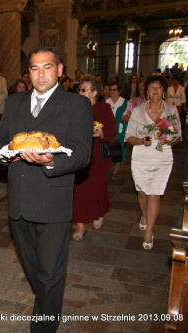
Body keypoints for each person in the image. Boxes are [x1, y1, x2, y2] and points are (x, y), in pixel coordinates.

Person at [0, 45, 92, 333]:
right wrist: (5, 154)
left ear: (60, 70)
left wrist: (51, 161)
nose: (41, 74)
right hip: (19, 204)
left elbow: (83, 153)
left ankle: (43, 326)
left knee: (49, 273)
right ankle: (49, 302)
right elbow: (1, 141)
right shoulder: (14, 102)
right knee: (35, 270)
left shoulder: (76, 105)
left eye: (47, 67)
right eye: (35, 68)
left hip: (52, 201)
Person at [125, 75, 181, 250]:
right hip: (141, 155)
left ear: (164, 91)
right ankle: (144, 214)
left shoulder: (171, 110)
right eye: (152, 87)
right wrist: (142, 140)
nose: (155, 90)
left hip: (162, 155)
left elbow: (178, 136)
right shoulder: (138, 110)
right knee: (142, 192)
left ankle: (149, 231)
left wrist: (169, 140)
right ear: (147, 91)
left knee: (154, 194)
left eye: (158, 87)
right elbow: (129, 137)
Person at [72, 75, 116, 241]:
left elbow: (112, 131)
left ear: (94, 92)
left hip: (99, 154)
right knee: (79, 190)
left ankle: (98, 212)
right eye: (79, 89)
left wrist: (101, 132)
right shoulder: (75, 107)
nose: (80, 92)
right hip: (80, 153)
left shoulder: (104, 109)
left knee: (97, 188)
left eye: (84, 90)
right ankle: (80, 225)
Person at [105, 82, 128, 177]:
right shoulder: (106, 102)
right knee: (108, 149)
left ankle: (116, 170)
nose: (112, 92)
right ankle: (108, 167)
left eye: (114, 90)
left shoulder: (125, 102)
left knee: (119, 148)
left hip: (120, 130)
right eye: (110, 90)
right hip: (108, 129)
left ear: (119, 91)